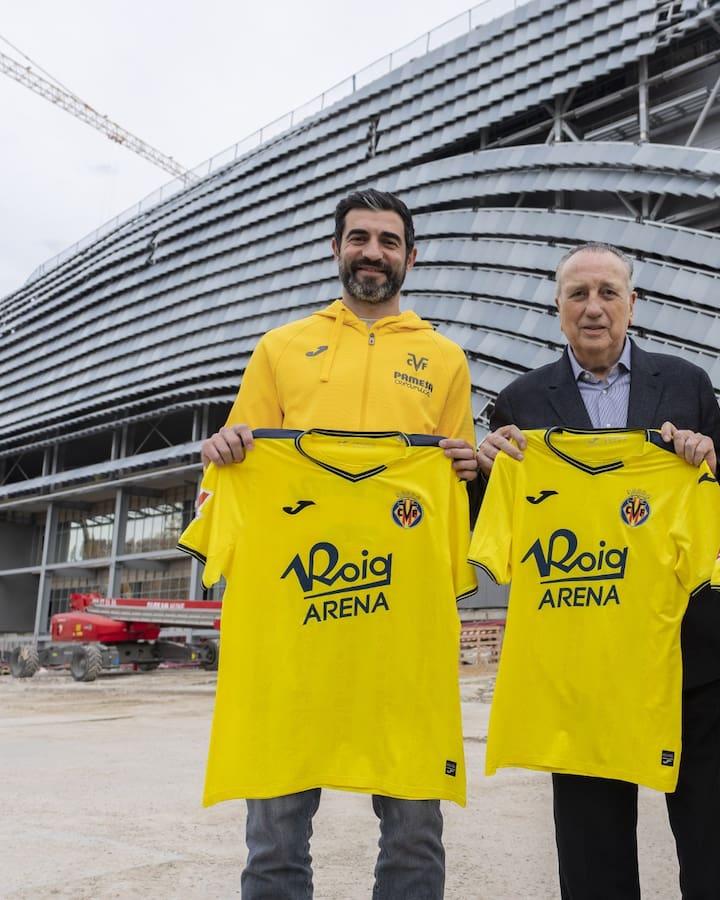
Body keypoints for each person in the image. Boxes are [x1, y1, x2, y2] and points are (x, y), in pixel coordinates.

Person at [199, 188, 478, 900]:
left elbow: (456, 482)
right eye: (359, 239)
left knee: (415, 834)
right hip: (293, 637)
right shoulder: (281, 348)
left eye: (388, 241)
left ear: (411, 257)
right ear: (336, 249)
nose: (372, 253)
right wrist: (226, 450)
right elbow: (242, 456)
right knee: (275, 839)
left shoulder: (445, 359)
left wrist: (467, 467)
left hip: (401, 641)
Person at [476, 242, 720, 900]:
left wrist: (710, 464)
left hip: (686, 652)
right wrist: (483, 472)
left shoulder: (686, 383)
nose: (593, 308)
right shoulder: (519, 402)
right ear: (558, 307)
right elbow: (493, 526)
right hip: (582, 663)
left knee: (707, 826)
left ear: (633, 304)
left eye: (607, 293)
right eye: (578, 294)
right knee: (591, 840)